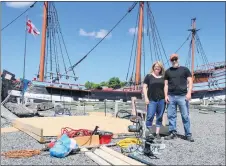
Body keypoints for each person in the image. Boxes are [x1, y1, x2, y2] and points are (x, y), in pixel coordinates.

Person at [164, 53, 194, 142]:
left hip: (183, 96)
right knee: (171, 115)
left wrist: (189, 93)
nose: (174, 61)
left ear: (178, 59)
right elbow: (165, 85)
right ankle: (172, 132)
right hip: (171, 96)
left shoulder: (185, 70)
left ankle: (188, 134)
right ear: (170, 61)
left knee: (185, 116)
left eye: (175, 59)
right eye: (172, 60)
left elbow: (190, 82)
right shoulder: (168, 71)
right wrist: (166, 95)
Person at [143, 61, 166, 141]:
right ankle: (149, 132)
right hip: (152, 99)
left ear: (161, 68)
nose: (157, 68)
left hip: (161, 99)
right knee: (150, 116)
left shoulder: (163, 77)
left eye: (158, 66)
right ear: (153, 67)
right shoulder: (148, 76)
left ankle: (157, 133)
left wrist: (166, 97)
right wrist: (146, 98)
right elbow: (144, 87)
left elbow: (165, 87)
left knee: (159, 117)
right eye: (155, 66)